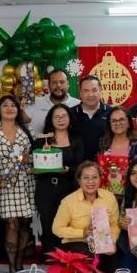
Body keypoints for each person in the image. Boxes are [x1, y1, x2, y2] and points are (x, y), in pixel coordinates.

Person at [0, 95, 36, 273]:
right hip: (4, 182)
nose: (9, 108)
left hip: (25, 181)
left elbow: (34, 154)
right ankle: (11, 266)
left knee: (24, 223)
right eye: (5, 105)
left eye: (13, 105)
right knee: (11, 223)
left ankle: (20, 262)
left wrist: (30, 159)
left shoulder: (26, 129)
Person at [33, 104, 84, 255]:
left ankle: (68, 259)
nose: (61, 119)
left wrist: (69, 170)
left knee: (68, 223)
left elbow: (81, 164)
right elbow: (35, 162)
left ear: (69, 118)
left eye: (64, 116)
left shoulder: (77, 139)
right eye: (57, 117)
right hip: (46, 188)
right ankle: (51, 259)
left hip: (68, 188)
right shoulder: (43, 139)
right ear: (51, 119)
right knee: (48, 224)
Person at [52, 161, 119, 273]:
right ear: (79, 180)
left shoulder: (109, 197)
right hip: (77, 243)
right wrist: (83, 232)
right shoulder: (68, 201)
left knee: (113, 263)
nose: (90, 182)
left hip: (103, 242)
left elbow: (114, 224)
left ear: (100, 179)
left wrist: (112, 242)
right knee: (85, 259)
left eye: (94, 177)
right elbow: (57, 229)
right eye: (86, 178)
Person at [97, 106, 137, 198]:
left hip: (134, 195)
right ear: (109, 124)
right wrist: (98, 170)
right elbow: (95, 165)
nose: (117, 123)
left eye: (121, 119)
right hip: (107, 196)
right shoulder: (102, 143)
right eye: (114, 121)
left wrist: (133, 171)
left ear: (129, 123)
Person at [23, 68, 80, 136]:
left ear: (67, 84)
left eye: (62, 82)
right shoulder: (36, 102)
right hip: (39, 145)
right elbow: (20, 119)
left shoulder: (78, 105)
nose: (58, 85)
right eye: (54, 82)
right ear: (49, 85)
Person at [71, 75, 112, 161]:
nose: (90, 95)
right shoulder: (70, 114)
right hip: (77, 168)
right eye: (86, 91)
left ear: (100, 91)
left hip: (103, 166)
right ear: (80, 93)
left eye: (94, 90)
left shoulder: (111, 113)